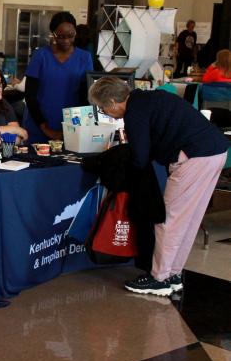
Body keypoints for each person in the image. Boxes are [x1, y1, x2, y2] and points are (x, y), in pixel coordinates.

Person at [88, 77, 227, 296]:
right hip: (215, 151)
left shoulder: (135, 112)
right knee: (187, 220)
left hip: (194, 157)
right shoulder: (149, 98)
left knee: (168, 220)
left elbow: (140, 157)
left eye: (103, 109)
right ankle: (173, 273)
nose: (105, 113)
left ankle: (160, 278)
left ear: (114, 102)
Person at [23, 12, 93, 143]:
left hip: (72, 126)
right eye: (60, 36)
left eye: (71, 35)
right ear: (53, 33)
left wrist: (80, 126)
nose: (66, 40)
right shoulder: (40, 56)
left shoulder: (85, 57)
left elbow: (85, 95)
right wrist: (45, 128)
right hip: (40, 125)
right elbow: (30, 96)